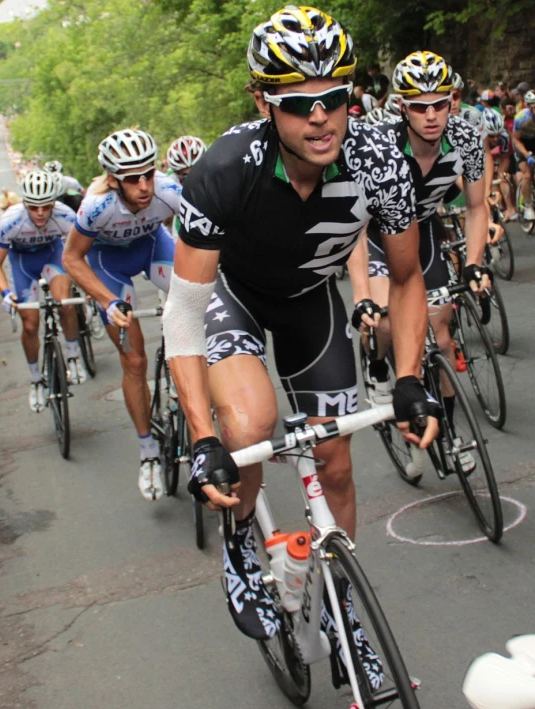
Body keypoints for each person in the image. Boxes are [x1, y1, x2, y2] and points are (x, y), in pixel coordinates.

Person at [162, 6, 438, 643]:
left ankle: (344, 616)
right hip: (231, 296)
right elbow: (181, 311)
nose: (319, 116)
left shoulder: (381, 160)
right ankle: (240, 549)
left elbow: (404, 276)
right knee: (250, 425)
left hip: (312, 299)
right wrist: (203, 439)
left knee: (335, 462)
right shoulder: (225, 170)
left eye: (333, 97)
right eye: (296, 103)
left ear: (351, 95)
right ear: (264, 103)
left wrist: (405, 376)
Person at [358, 51, 489, 471]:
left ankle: (452, 434)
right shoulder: (380, 145)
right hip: (379, 235)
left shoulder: (467, 138)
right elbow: (356, 227)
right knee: (386, 320)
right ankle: (378, 364)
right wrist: (362, 295)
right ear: (402, 106)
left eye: (439, 103)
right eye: (419, 105)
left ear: (453, 101)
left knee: (443, 337)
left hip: (425, 229)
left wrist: (473, 262)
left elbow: (476, 206)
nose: (431, 115)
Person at [62, 128, 182, 502]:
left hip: (150, 248)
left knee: (201, 299)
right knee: (134, 358)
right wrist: (107, 301)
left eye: (149, 173)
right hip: (107, 265)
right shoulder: (96, 206)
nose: (144, 185)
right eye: (133, 179)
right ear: (113, 180)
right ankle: (148, 452)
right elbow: (70, 259)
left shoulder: (168, 189)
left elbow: (203, 234)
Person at [0, 171, 86, 412]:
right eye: (33, 207)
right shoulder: (10, 220)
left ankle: (73, 355)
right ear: (24, 203)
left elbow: (81, 253)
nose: (39, 213)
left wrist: (90, 286)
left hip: (53, 256)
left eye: (45, 206)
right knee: (30, 324)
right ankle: (35, 379)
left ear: (53, 202)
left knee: (66, 303)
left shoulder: (65, 216)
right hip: (23, 265)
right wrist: (5, 293)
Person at [512, 89, 535, 220]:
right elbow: (515, 139)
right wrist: (527, 155)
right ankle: (527, 206)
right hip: (522, 143)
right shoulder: (521, 118)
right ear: (530, 107)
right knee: (527, 174)